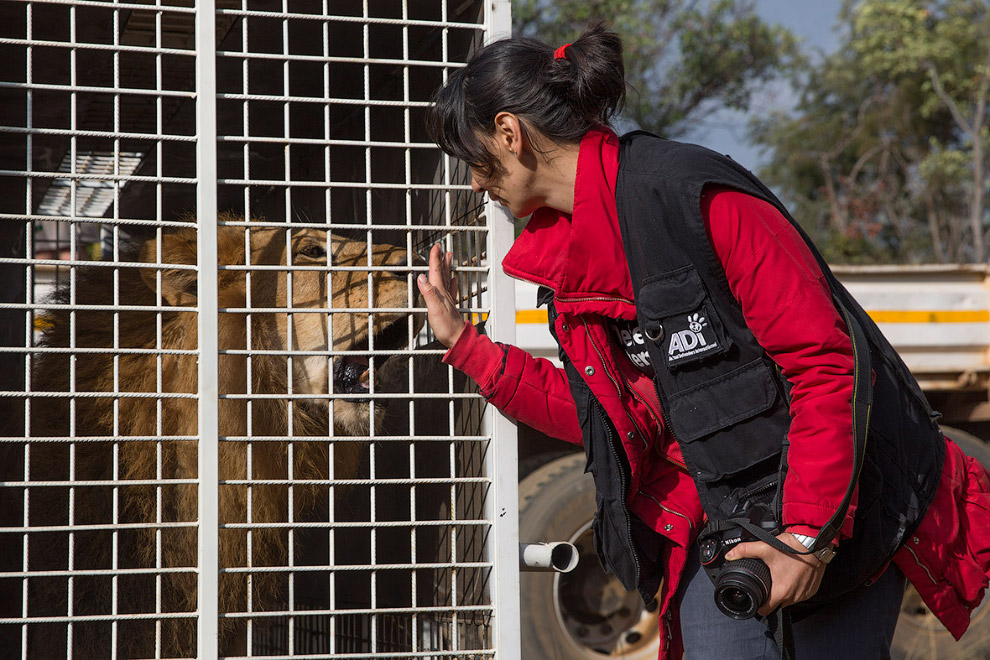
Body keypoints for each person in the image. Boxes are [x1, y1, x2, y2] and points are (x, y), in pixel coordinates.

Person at [416, 22, 990, 659]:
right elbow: (610, 420)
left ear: (509, 134)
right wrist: (466, 345)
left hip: (842, 508)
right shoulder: (564, 262)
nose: (474, 183)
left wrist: (806, 537)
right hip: (720, 520)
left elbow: (826, 364)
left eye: (474, 161)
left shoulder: (696, 196)